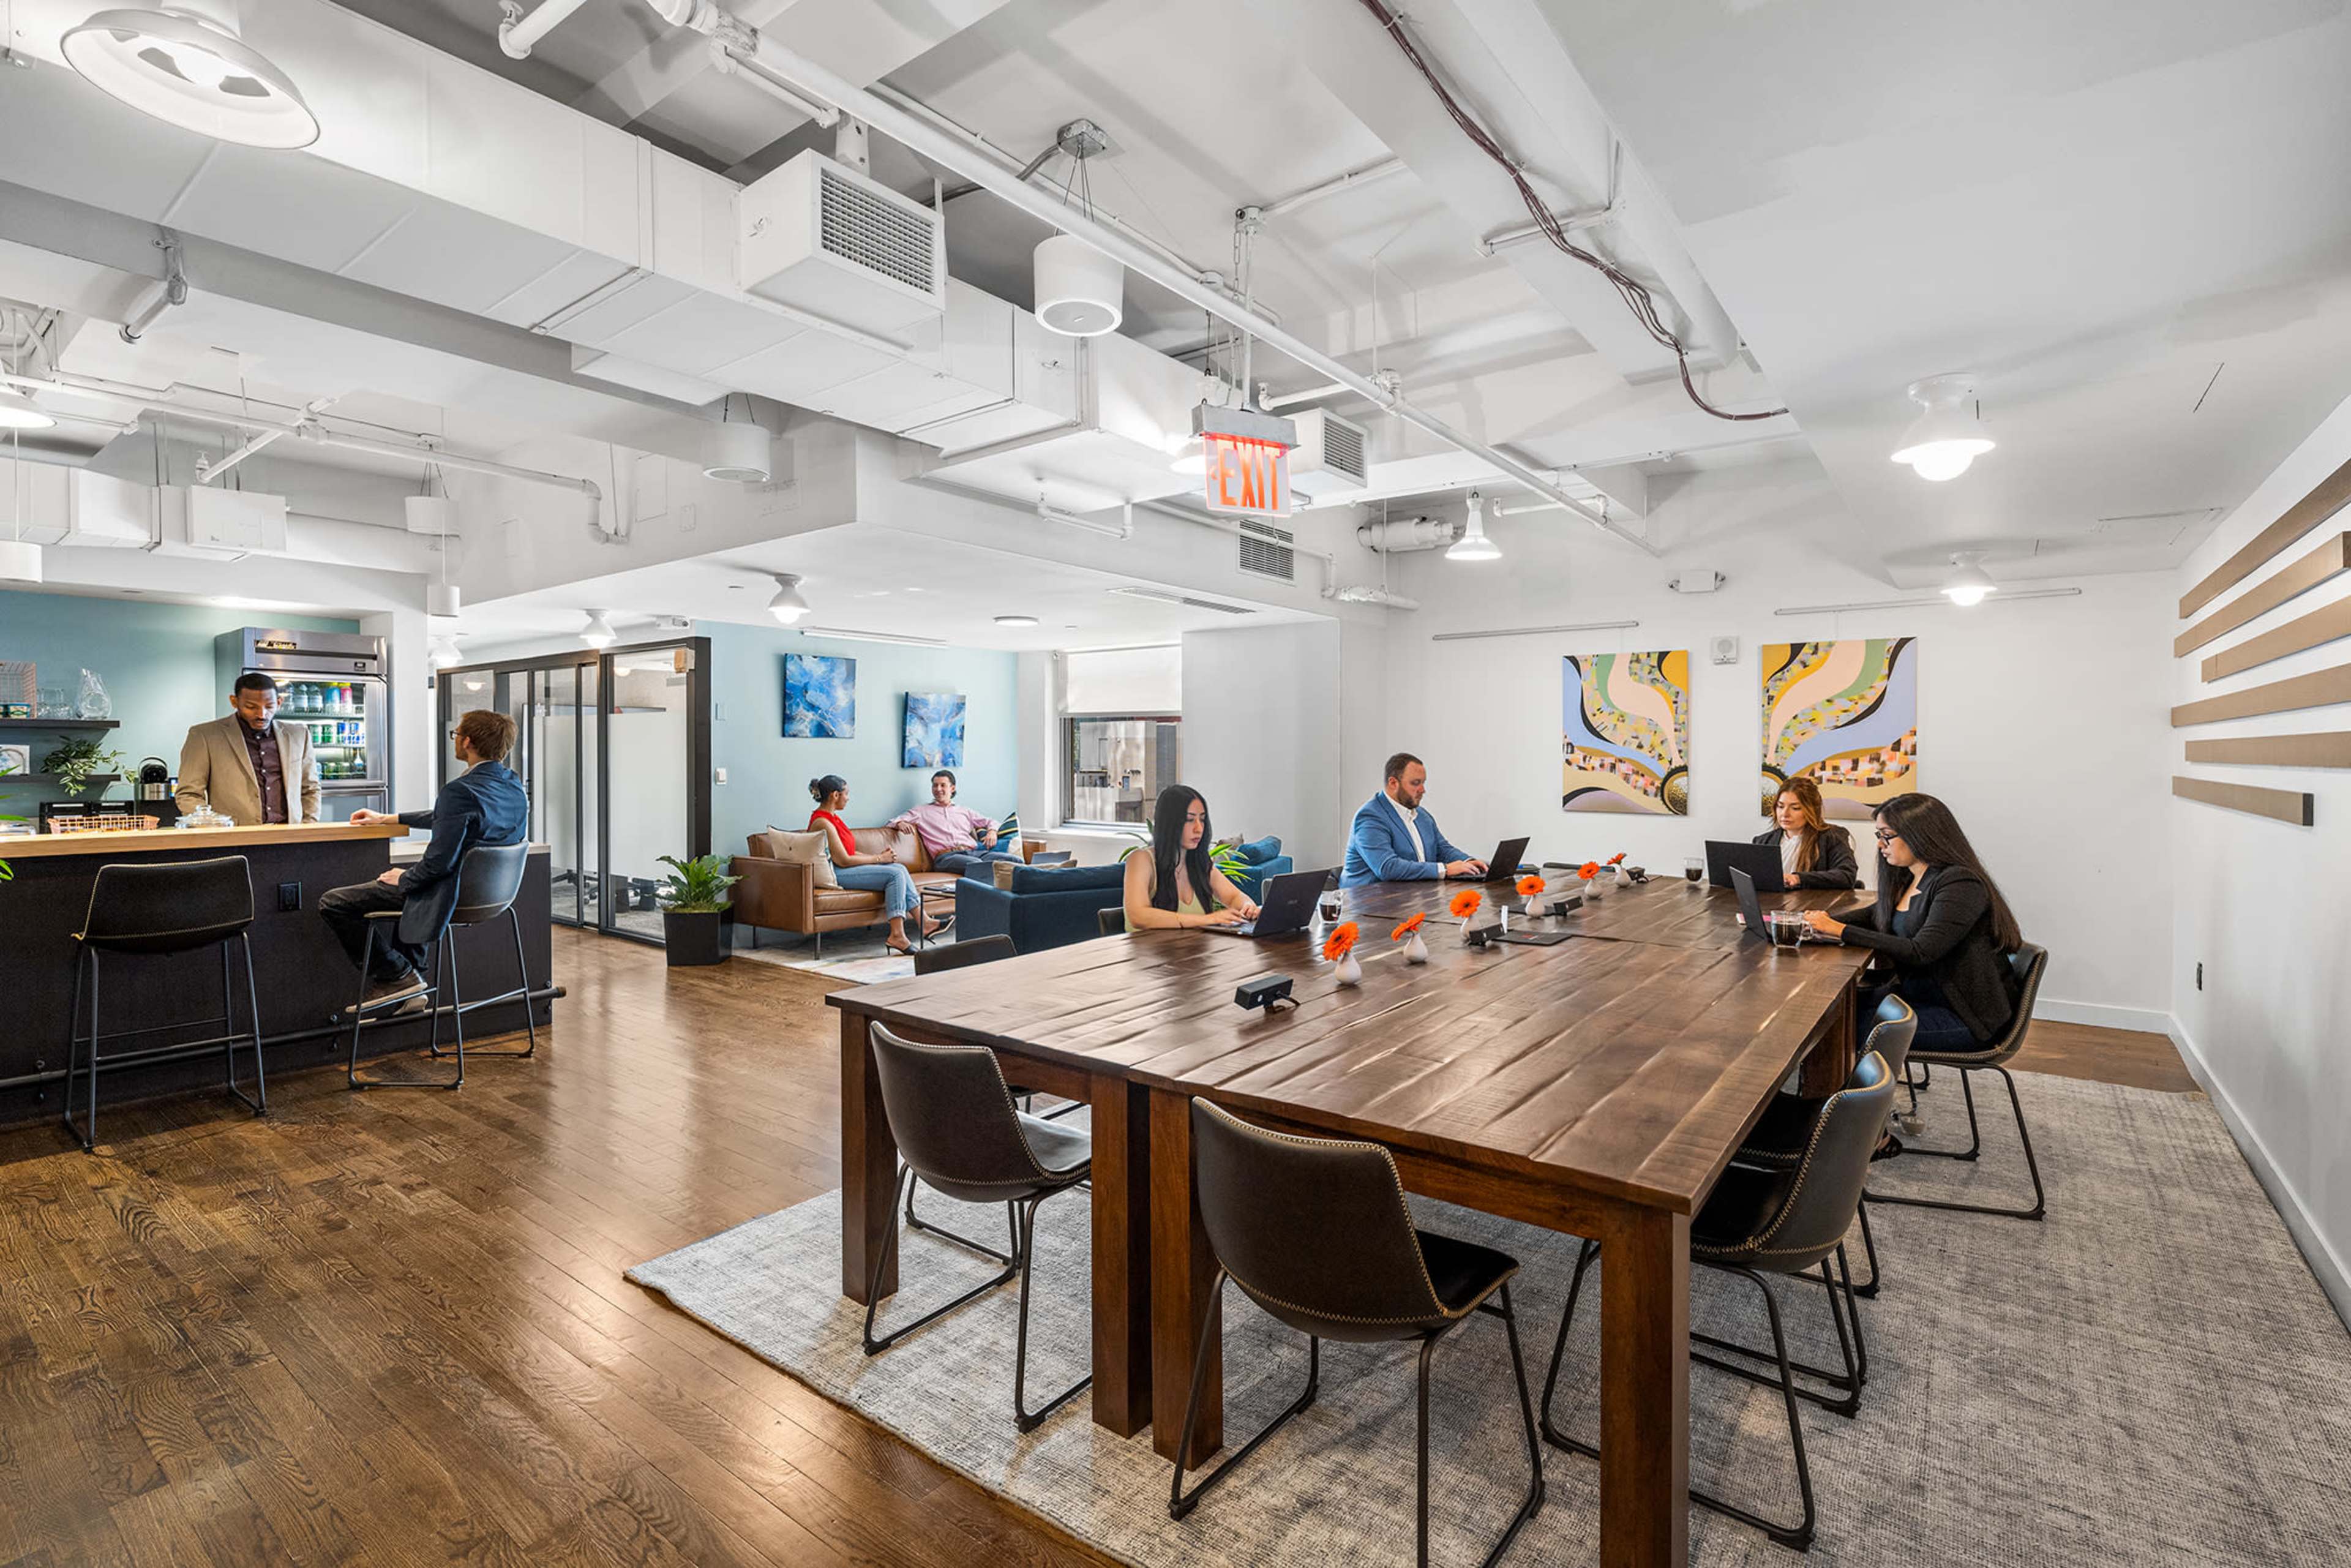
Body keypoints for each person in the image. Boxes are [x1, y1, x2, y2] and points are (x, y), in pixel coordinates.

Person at [322, 710, 526, 1013]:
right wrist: (392, 818)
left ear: (467, 741)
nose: (456, 738)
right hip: (495, 897)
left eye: (456, 734)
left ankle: (399, 975)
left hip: (451, 896)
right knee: (417, 884)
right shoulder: (511, 783)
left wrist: (403, 879)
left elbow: (438, 865)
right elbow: (453, 819)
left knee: (333, 902)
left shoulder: (459, 790)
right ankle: (411, 984)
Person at [1802, 793, 2025, 1056]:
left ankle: (1841, 1095)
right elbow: (1874, 915)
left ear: (1919, 834)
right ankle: (1827, 1092)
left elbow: (1921, 952)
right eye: (1879, 836)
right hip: (1920, 997)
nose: (1880, 845)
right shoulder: (1914, 878)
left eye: (1887, 835)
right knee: (1822, 1010)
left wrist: (1840, 931)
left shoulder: (1960, 884)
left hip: (1964, 1017)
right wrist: (1813, 923)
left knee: (1837, 1027)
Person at [808, 774, 950, 956]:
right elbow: (842, 860)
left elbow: (849, 852)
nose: (848, 798)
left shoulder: (833, 819)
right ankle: (898, 935)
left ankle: (925, 922)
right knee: (894, 875)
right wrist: (879, 860)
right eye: (846, 794)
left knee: (899, 868)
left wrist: (879, 856)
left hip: (843, 869)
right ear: (835, 795)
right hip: (835, 874)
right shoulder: (823, 822)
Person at [175, 672, 320, 825]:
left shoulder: (298, 734)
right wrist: (211, 827)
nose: (262, 715)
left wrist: (307, 827)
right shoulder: (205, 735)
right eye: (251, 707)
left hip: (290, 837)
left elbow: (310, 789)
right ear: (234, 702)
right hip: (232, 838)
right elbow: (189, 794)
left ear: (279, 702)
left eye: (269, 706)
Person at [1339, 752, 1488, 888]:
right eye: (1416, 783)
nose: (1423, 790)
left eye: (1423, 783)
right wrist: (1446, 869)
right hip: (1366, 907)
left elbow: (1443, 850)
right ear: (1393, 783)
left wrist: (1469, 863)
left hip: (1410, 899)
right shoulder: (1370, 817)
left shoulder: (1422, 816)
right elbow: (1387, 867)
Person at [1123, 786, 1261, 931]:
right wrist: (1208, 919)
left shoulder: (1198, 862)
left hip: (1188, 951)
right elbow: (1139, 916)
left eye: (1202, 820)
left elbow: (1234, 897)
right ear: (1169, 822)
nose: (1199, 828)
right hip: (1146, 953)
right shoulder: (1141, 859)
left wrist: (1248, 907)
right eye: (1189, 820)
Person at [887, 769, 1019, 877]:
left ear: (953, 788)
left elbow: (991, 821)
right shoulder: (921, 811)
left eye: (943, 785)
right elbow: (891, 822)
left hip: (974, 852)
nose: (938, 789)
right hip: (946, 858)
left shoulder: (965, 811)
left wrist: (992, 831)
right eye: (935, 785)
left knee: (1015, 861)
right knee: (978, 865)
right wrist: (900, 824)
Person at [1753, 776, 1860, 890]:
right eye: (1780, 806)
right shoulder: (1762, 841)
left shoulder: (1833, 837)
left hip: (1814, 905)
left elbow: (1846, 876)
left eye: (1795, 808)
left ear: (1812, 810)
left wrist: (1799, 879)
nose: (1785, 814)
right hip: (1771, 905)